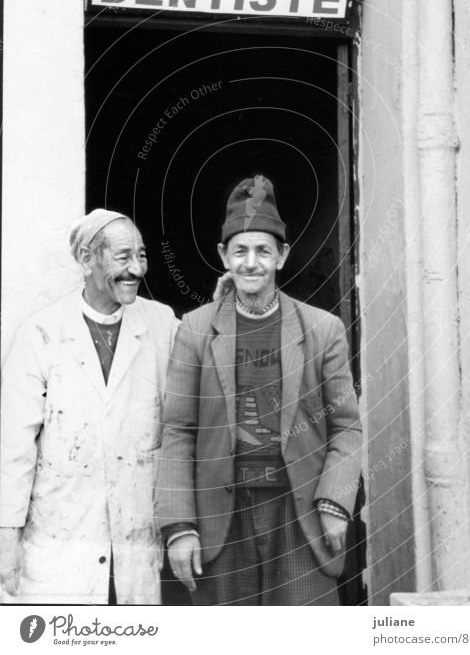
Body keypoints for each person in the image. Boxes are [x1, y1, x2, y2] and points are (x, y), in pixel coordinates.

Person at [157, 175, 362, 605]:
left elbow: (347, 427)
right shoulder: (196, 329)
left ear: (282, 256)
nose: (251, 263)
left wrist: (335, 502)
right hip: (222, 520)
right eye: (240, 251)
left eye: (263, 251)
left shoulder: (323, 330)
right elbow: (177, 430)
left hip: (300, 512)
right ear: (224, 256)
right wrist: (179, 526)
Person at [0, 209, 179, 604]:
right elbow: (14, 449)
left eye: (142, 255)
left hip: (135, 539)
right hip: (62, 540)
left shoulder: (162, 323)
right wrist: (6, 535)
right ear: (86, 259)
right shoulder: (41, 333)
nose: (136, 268)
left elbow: (201, 382)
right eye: (122, 256)